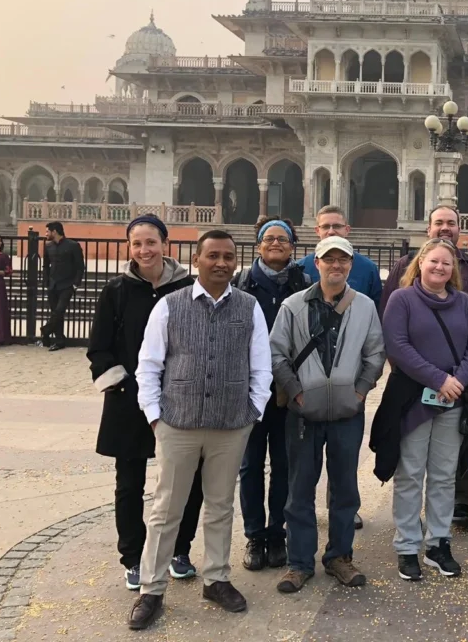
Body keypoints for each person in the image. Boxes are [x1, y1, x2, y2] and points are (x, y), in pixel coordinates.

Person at [128, 230, 272, 631]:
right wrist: (156, 416)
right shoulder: (170, 307)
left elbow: (261, 365)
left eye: (228, 256)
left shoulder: (249, 307)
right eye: (213, 256)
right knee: (165, 509)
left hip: (230, 425)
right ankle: (152, 588)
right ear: (197, 259)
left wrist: (252, 412)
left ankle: (216, 578)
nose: (221, 263)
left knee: (221, 506)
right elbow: (149, 365)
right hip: (178, 422)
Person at [86, 215, 204, 590]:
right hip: (130, 397)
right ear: (129, 248)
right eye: (137, 244)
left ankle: (178, 550)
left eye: (151, 242)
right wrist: (123, 382)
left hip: (180, 397)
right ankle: (134, 556)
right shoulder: (117, 291)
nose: (144, 250)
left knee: (187, 479)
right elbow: (99, 348)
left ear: (165, 244)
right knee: (130, 481)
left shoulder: (187, 287)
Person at [270, 235, 386, 594]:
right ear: (316, 263)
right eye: (329, 259)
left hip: (346, 412)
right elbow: (277, 354)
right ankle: (299, 562)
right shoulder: (293, 305)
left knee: (345, 489)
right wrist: (297, 391)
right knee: (300, 487)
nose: (336, 265)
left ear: (351, 264)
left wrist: (360, 390)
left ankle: (339, 556)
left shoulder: (364, 306)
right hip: (304, 412)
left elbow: (375, 353)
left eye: (343, 260)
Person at [377, 239, 468, 581]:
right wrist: (439, 378)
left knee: (443, 475)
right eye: (434, 261)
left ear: (453, 269)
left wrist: (459, 380)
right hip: (414, 399)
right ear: (421, 262)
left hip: (452, 400)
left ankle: (438, 543)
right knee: (410, 474)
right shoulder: (402, 299)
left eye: (446, 263)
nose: (440, 267)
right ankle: (407, 546)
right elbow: (397, 345)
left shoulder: (464, 302)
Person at [233, 218, 311, 573]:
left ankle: (276, 533)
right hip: (250, 389)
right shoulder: (241, 284)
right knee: (250, 464)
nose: (276, 243)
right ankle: (254, 534)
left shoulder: (304, 284)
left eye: (283, 239)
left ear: (293, 246)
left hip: (287, 388)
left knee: (284, 463)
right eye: (269, 238)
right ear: (259, 244)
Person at [380, 204, 468, 317]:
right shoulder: (406, 264)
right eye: (439, 223)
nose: (445, 228)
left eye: (451, 223)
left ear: (459, 230)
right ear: (429, 230)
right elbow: (386, 310)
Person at [297, 205, 382, 305]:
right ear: (317, 230)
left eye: (337, 226)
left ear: (347, 230)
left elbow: (376, 309)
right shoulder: (301, 267)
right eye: (325, 227)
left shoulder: (368, 268)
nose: (331, 232)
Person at [41, 221, 84, 351]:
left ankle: (46, 329)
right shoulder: (48, 246)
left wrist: (75, 284)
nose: (46, 234)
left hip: (67, 284)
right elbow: (46, 265)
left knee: (59, 310)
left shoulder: (73, 245)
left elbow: (80, 266)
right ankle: (59, 340)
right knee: (56, 313)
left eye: (47, 231)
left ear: (54, 231)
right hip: (53, 284)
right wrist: (46, 281)